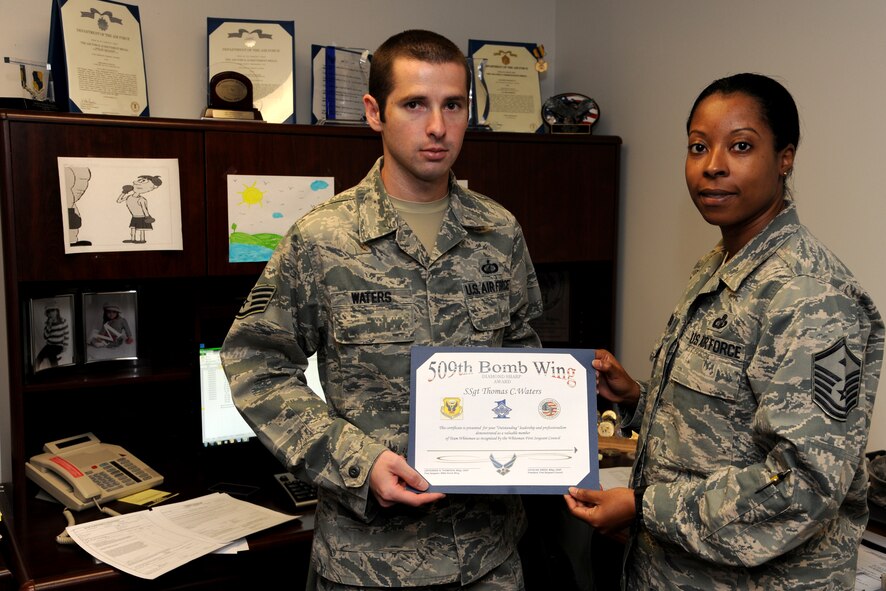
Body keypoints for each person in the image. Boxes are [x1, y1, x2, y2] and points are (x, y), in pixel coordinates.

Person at [221, 29, 542, 590]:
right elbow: (255, 365)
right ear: (375, 112)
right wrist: (357, 460)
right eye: (415, 104)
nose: (437, 126)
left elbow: (521, 354)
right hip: (369, 563)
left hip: (488, 556)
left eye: (453, 105)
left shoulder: (499, 231)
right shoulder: (322, 239)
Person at [565, 73, 884, 590]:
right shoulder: (721, 265)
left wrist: (645, 509)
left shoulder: (812, 295)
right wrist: (636, 398)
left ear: (786, 157)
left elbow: (804, 485)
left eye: (740, 146)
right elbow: (725, 428)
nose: (712, 165)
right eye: (698, 146)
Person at [116, 174, 161, 244]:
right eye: (139, 180)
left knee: (141, 229)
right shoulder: (129, 197)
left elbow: (144, 209)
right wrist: (124, 192)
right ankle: (132, 239)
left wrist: (148, 217)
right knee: (133, 228)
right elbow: (119, 201)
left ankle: (142, 240)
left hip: (142, 217)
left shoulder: (142, 199)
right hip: (134, 216)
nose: (139, 182)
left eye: (143, 181)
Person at [35, 305, 69, 369]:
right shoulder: (48, 323)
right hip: (49, 345)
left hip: (58, 346)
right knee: (38, 358)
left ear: (57, 311)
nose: (51, 313)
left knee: (51, 354)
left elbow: (66, 335)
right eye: (49, 312)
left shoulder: (63, 321)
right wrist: (49, 326)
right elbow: (45, 336)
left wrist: (65, 346)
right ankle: (36, 371)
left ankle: (55, 371)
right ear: (48, 314)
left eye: (53, 310)